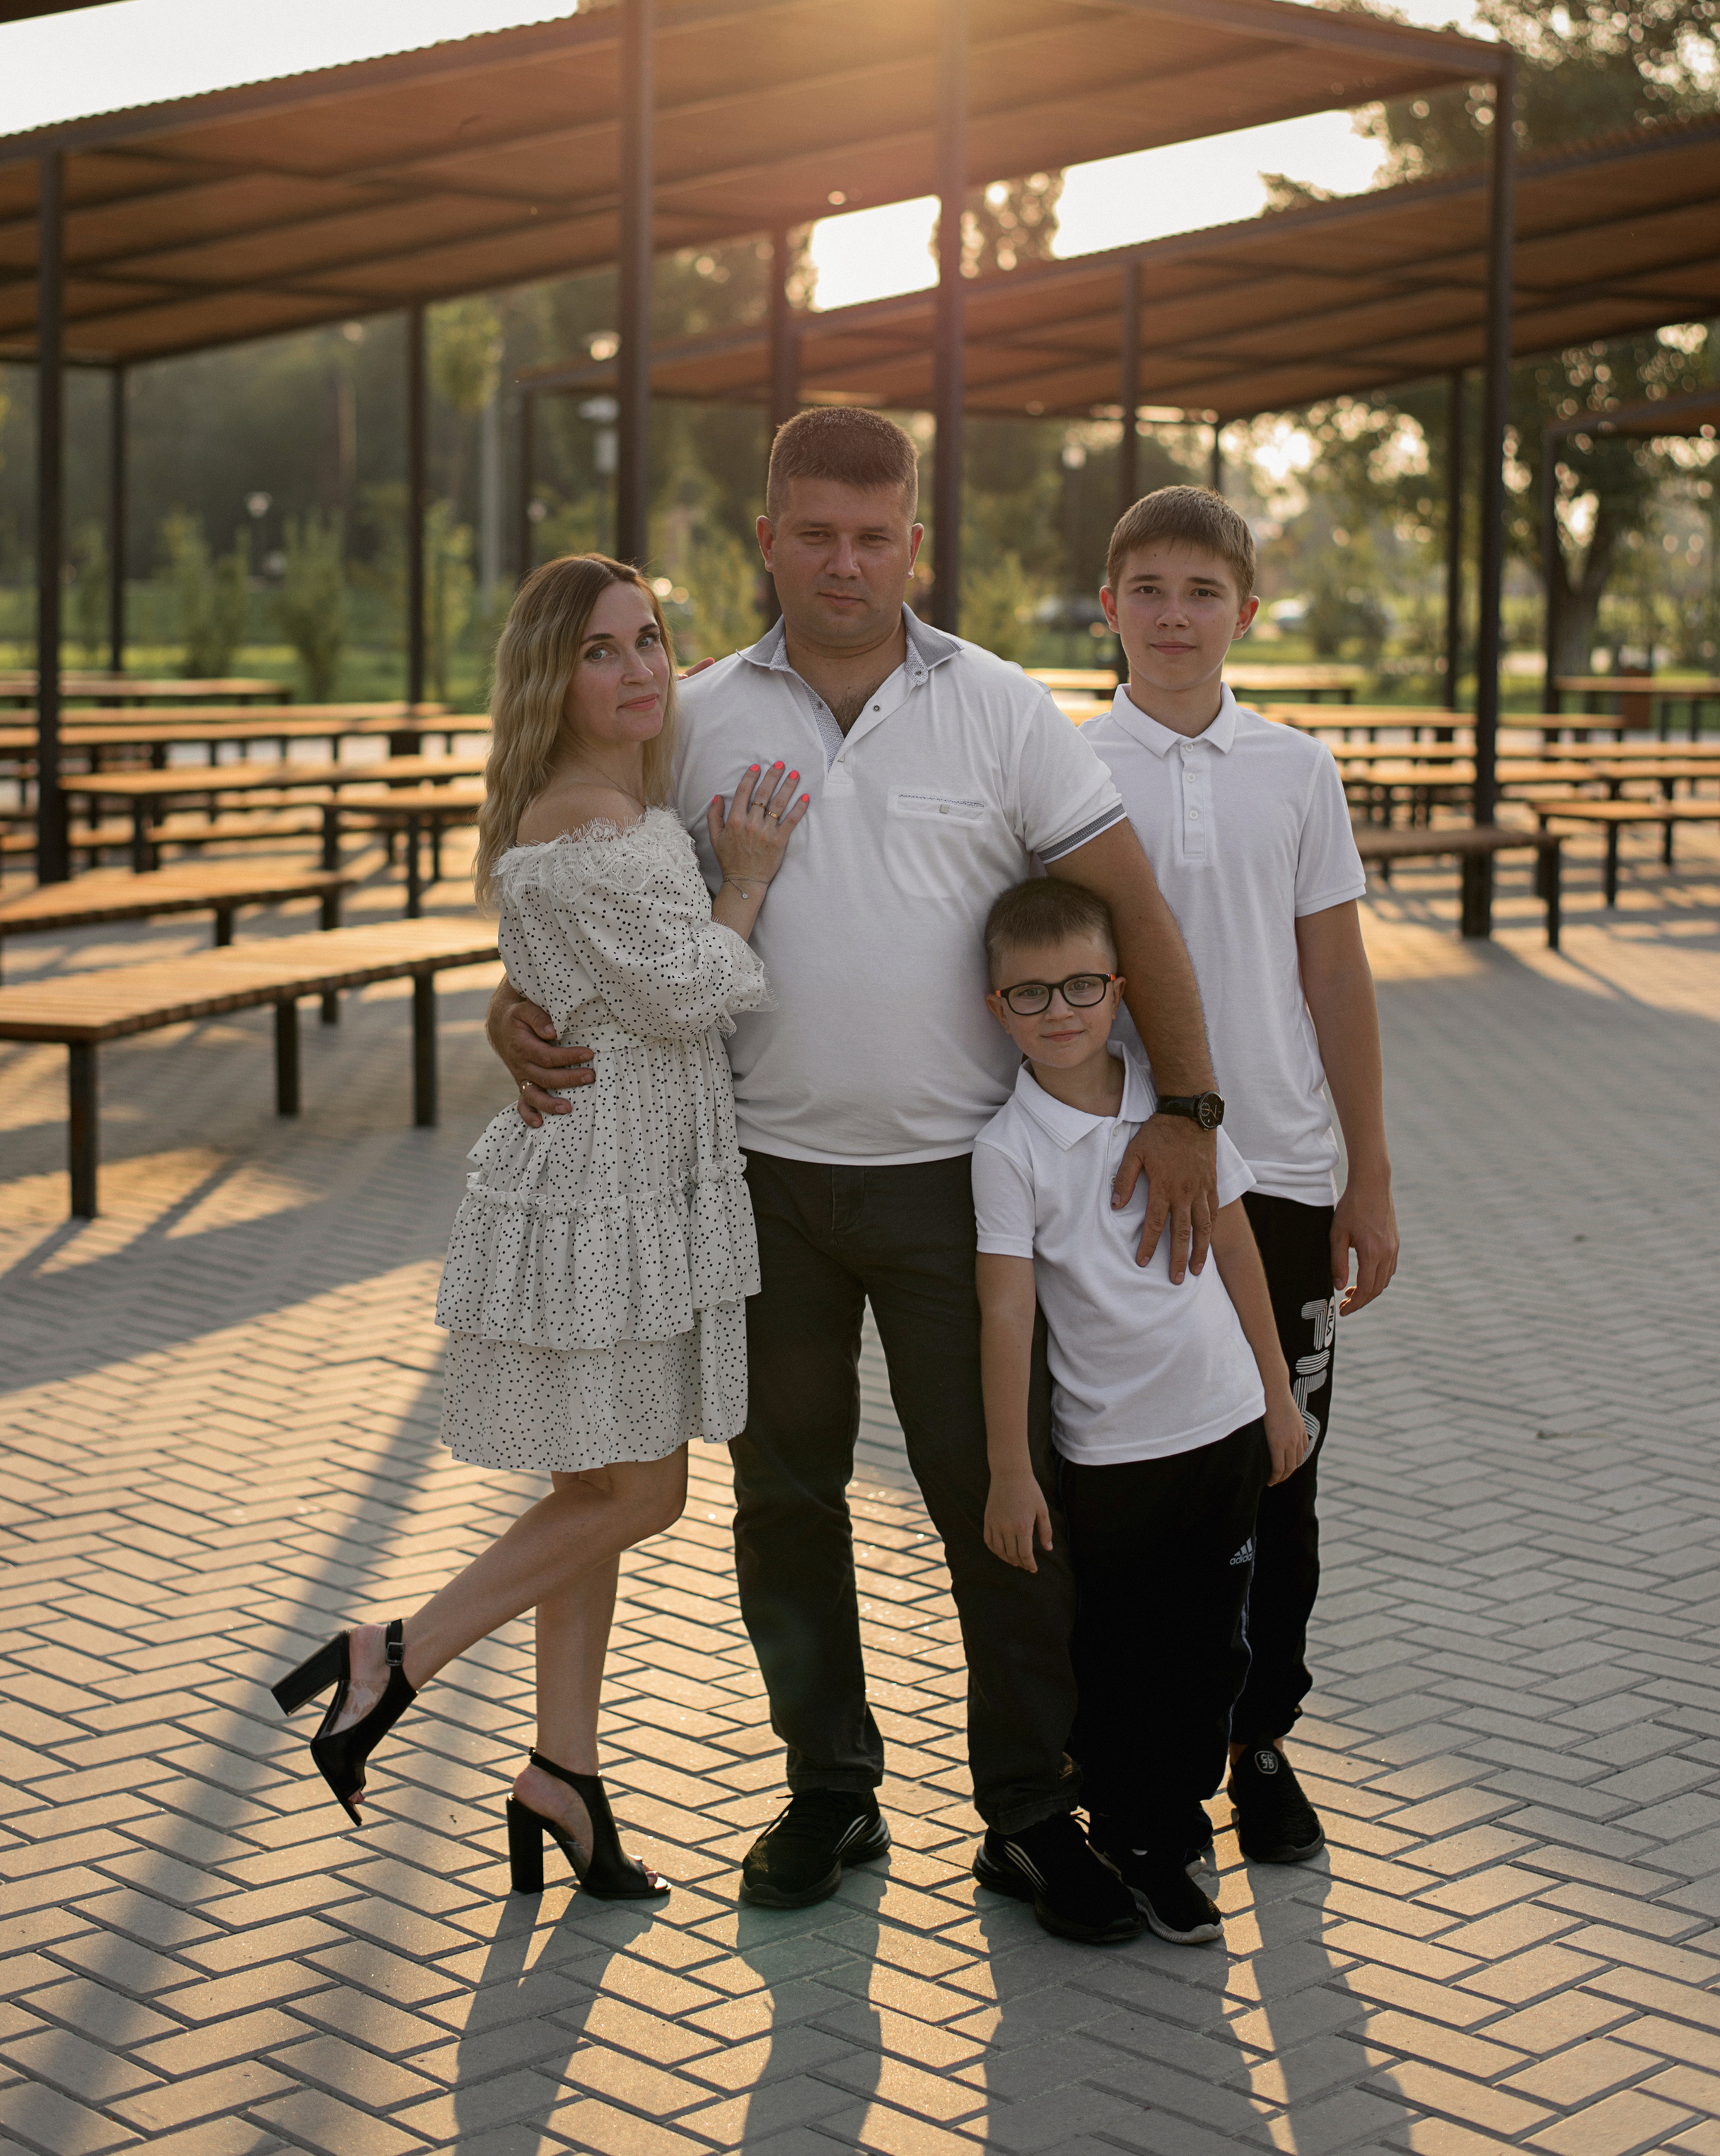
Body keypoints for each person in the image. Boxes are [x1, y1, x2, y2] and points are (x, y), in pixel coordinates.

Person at [490, 408, 1225, 1944]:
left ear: (914, 543)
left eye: (871, 536)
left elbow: (1129, 901)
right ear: (764, 539)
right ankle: (828, 1784)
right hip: (754, 1187)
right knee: (783, 1496)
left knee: (996, 1510)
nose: (843, 561)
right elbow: (581, 888)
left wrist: (1190, 1103)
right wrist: (516, 1008)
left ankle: (1028, 1812)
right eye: (811, 534)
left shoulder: (1004, 710)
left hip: (966, 1195)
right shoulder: (683, 716)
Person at [272, 554, 809, 1905]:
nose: (639, 669)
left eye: (651, 640)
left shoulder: (617, 802)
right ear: (548, 677)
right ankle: (392, 1651)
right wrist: (745, 876)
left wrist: (514, 1004)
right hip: (604, 1184)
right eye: (603, 650)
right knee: (647, 1490)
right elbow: (693, 994)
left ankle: (561, 1778)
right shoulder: (585, 822)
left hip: (634, 1164)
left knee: (590, 1493)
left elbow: (563, 976)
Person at [1082, 485, 1400, 1870]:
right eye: (1144, 588)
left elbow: (1333, 972)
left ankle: (1254, 1739)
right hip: (1122, 1179)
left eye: (1199, 592)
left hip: (1275, 1172)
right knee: (1134, 1475)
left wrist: (1367, 1178)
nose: (1170, 615)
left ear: (1243, 615)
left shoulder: (1295, 768)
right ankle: (1131, 1751)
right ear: (1107, 607)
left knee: (1282, 1467)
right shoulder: (1061, 766)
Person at [972, 876, 1307, 1944]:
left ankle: (1169, 1818)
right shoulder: (1008, 1150)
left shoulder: (1173, 1106)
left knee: (1212, 1651)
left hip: (1220, 1430)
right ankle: (1140, 1836)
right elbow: (1006, 1315)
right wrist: (1012, 1470)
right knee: (1118, 1659)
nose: (1059, 1011)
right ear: (996, 1011)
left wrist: (1275, 1391)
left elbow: (1241, 1245)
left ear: (1118, 989)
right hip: (1111, 1451)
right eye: (1030, 995)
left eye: (1080, 985)